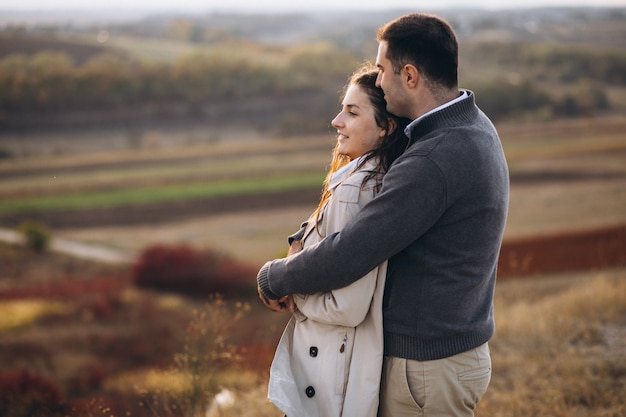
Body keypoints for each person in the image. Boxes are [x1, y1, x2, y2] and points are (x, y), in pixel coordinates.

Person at [257, 12, 510, 417]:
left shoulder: (433, 158)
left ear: (409, 76)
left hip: (425, 368)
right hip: (451, 353)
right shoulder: (471, 124)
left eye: (382, 69)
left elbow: (352, 250)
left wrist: (274, 277)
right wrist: (304, 234)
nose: (377, 80)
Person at [267, 65, 411, 417]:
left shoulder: (355, 190)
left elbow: (348, 306)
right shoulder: (366, 180)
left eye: (352, 111)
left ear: (385, 127)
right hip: (333, 364)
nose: (336, 121)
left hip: (329, 374)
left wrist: (294, 294)